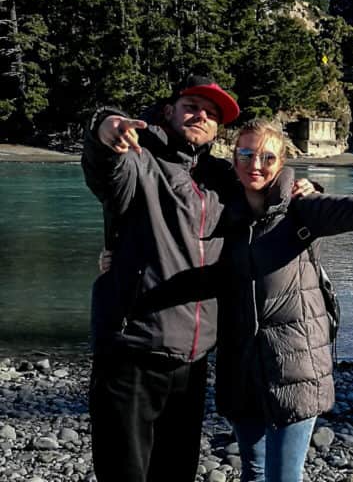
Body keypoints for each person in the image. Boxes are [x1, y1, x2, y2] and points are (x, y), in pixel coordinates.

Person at [211, 119, 353, 482]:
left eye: (266, 156)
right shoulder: (222, 214)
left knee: (283, 477)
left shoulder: (302, 207)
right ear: (233, 158)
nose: (255, 164)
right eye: (245, 154)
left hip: (295, 367)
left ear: (282, 161)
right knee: (253, 472)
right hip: (241, 367)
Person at [81, 75, 243, 482]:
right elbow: (107, 172)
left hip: (193, 358)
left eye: (211, 114)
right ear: (169, 110)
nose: (201, 116)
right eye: (192, 106)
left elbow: (269, 200)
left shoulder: (221, 177)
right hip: (132, 348)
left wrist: (302, 187)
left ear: (218, 128)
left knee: (176, 472)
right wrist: (105, 131)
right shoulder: (140, 158)